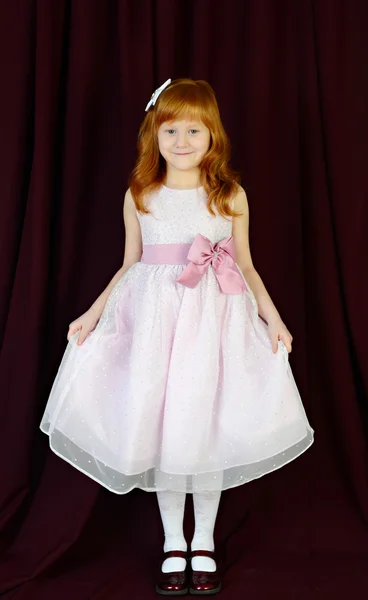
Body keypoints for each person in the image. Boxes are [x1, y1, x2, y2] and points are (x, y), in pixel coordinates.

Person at [39, 78, 314, 596]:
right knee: (165, 428)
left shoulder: (229, 194)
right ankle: (173, 542)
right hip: (154, 323)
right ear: (154, 132)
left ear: (213, 136)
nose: (182, 140)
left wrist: (272, 318)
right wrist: (93, 312)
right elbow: (129, 264)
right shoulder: (140, 194)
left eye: (194, 129)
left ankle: (204, 539)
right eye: (171, 129)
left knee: (205, 426)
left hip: (214, 320)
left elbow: (247, 267)